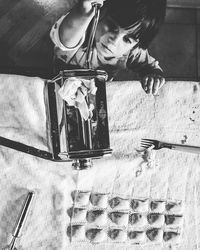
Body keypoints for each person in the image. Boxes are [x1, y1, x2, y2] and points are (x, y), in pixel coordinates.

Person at [50, 0, 166, 96]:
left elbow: (150, 67)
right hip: (57, 88)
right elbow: (66, 41)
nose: (114, 41)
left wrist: (153, 76)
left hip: (98, 96)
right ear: (99, 11)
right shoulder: (82, 27)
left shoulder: (132, 51)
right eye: (111, 26)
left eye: (127, 39)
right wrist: (84, 12)